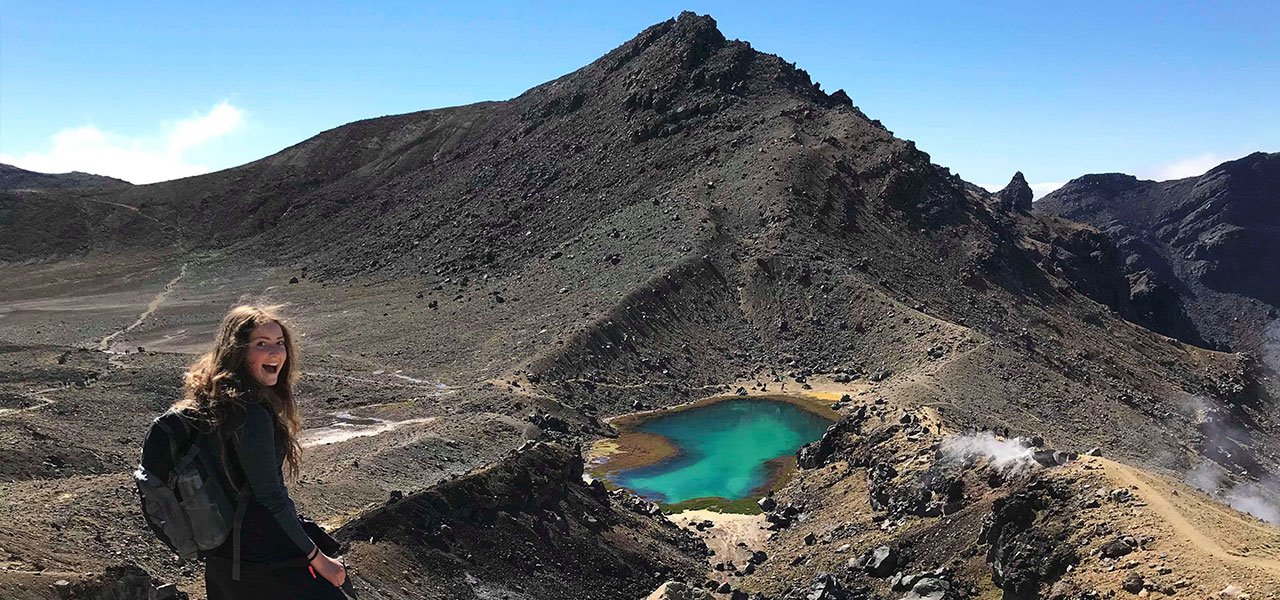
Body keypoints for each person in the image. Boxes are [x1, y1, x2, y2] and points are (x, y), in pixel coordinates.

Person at [171, 305, 346, 599]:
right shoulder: (250, 414)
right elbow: (270, 498)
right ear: (238, 351)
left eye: (280, 343)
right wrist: (320, 560)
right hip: (260, 558)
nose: (276, 352)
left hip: (226, 559)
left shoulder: (216, 403)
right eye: (261, 344)